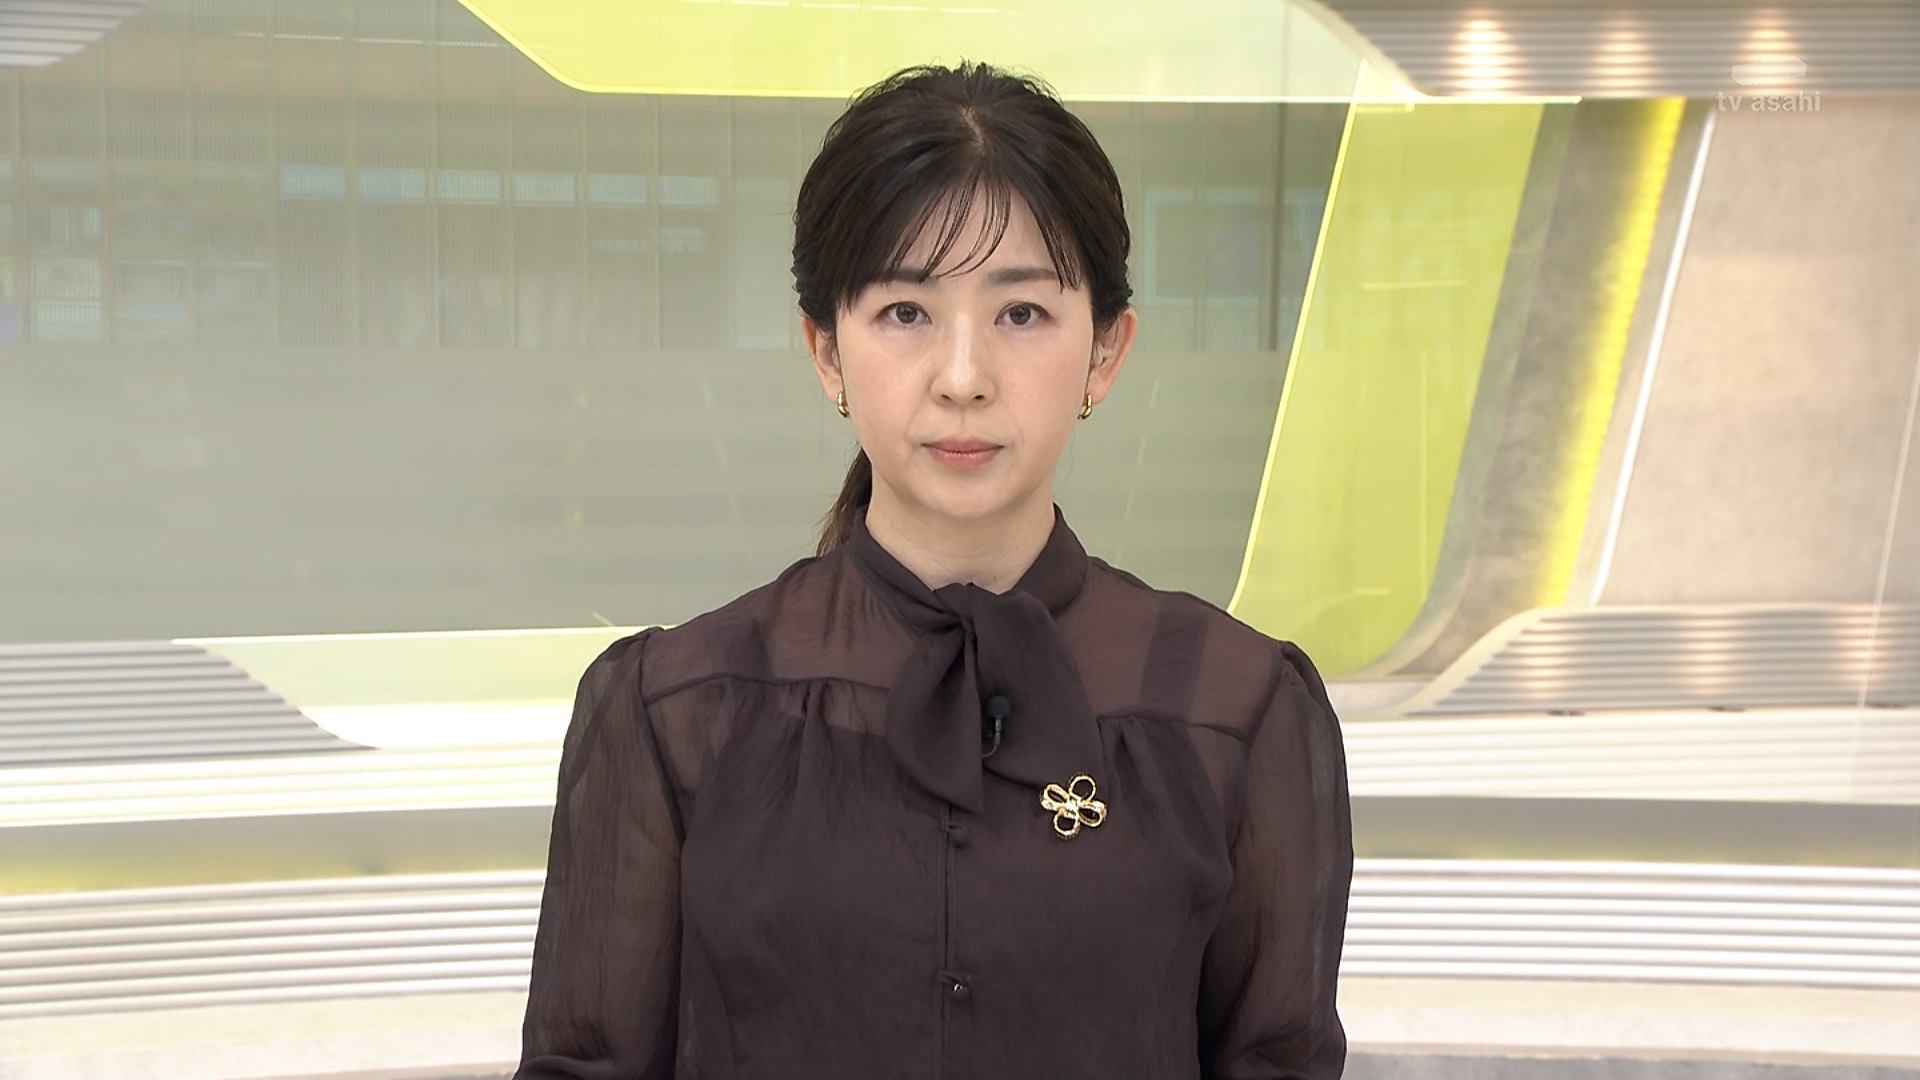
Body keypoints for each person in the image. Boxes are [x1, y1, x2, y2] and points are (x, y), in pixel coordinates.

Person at [515, 61, 1353, 1080]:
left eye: (1022, 313)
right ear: (826, 350)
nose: (963, 379)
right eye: (906, 312)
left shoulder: (1239, 708)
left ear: (1105, 351)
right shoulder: (675, 710)